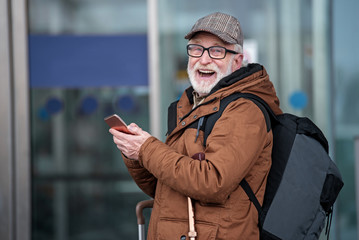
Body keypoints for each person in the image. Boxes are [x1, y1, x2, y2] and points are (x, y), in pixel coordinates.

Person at [109, 12, 282, 240]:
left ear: (237, 61)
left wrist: (147, 149)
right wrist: (135, 154)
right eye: (197, 49)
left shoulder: (245, 110)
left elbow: (212, 182)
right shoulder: (191, 106)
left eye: (217, 51)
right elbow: (167, 189)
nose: (204, 59)